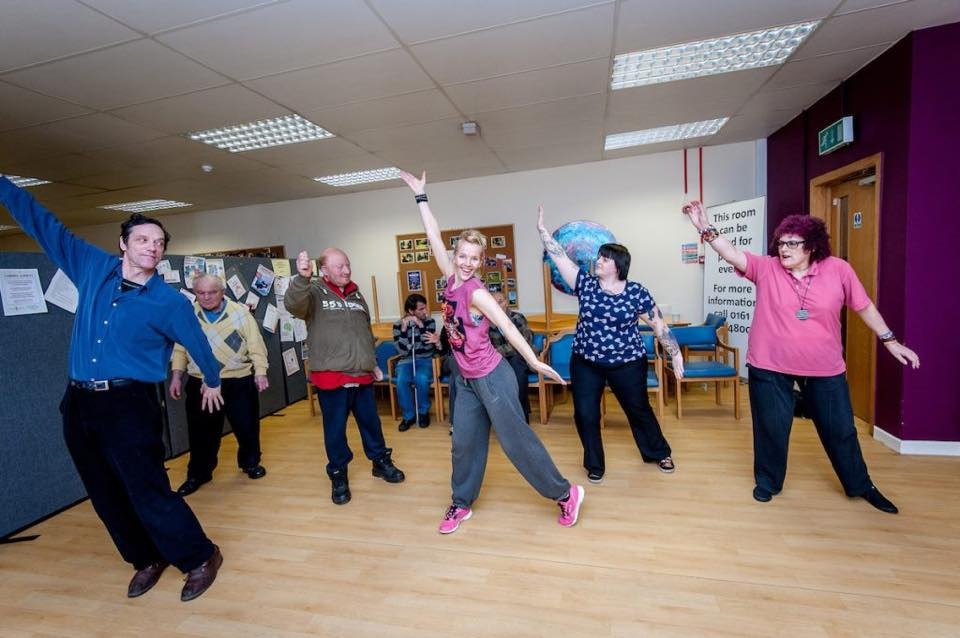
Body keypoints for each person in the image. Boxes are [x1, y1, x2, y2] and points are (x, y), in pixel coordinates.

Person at [0, 176, 225, 602]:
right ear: (123, 244)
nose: (152, 247)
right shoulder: (90, 266)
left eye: (158, 242)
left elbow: (199, 344)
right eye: (142, 239)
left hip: (129, 403)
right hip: (81, 402)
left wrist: (212, 381)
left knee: (147, 489)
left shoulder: (170, 302)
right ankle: (145, 557)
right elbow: (42, 222)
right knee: (103, 491)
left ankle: (200, 556)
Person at [682, 201, 919, 513]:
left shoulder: (839, 270)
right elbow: (731, 253)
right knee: (771, 427)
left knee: (840, 430)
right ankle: (768, 482)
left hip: (825, 367)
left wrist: (890, 340)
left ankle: (860, 485)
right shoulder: (766, 268)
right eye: (781, 242)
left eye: (792, 243)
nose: (784, 249)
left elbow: (863, 306)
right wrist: (704, 226)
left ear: (812, 245)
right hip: (769, 364)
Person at [399, 170, 584, 534]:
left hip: (492, 375)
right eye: (463, 256)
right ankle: (460, 503)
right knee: (463, 443)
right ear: (456, 256)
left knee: (516, 443)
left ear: (481, 261)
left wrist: (534, 362)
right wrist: (421, 197)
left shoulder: (478, 294)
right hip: (465, 377)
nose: (467, 263)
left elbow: (508, 327)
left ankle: (565, 494)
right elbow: (432, 234)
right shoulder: (449, 276)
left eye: (474, 258)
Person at [538, 206, 683, 484]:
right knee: (585, 413)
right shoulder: (585, 284)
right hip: (586, 362)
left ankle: (658, 451)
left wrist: (674, 354)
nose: (598, 261)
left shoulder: (636, 292)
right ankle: (594, 463)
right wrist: (544, 233)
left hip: (627, 362)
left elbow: (659, 325)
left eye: (604, 259)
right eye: (599, 257)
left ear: (618, 265)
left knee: (638, 408)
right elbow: (560, 258)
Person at [285, 247, 405, 505]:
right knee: (335, 431)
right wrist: (302, 278)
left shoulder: (356, 293)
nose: (347, 270)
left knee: (371, 424)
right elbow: (293, 305)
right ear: (324, 270)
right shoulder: (313, 291)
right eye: (340, 267)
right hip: (332, 375)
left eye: (348, 265)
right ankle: (338, 475)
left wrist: (371, 362)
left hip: (361, 373)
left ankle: (380, 462)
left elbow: (363, 331)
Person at [169, 274, 270, 496]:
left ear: (222, 292)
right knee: (201, 432)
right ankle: (199, 473)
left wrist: (260, 372)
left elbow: (256, 345)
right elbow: (179, 349)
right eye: (200, 293)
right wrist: (176, 376)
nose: (206, 297)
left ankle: (250, 463)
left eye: (212, 292)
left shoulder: (240, 313)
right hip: (201, 383)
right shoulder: (188, 315)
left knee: (246, 426)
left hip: (237, 380)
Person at [392, 293, 438, 430]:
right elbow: (402, 351)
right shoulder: (397, 325)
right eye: (421, 309)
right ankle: (409, 416)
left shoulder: (430, 322)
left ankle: (423, 412)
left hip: (425, 360)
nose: (426, 311)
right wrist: (405, 330)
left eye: (425, 308)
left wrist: (421, 326)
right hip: (406, 361)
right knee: (402, 381)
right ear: (411, 311)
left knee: (421, 378)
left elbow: (428, 345)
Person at [488, 291, 536, 422]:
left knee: (517, 370)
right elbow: (487, 346)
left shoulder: (517, 318)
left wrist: (498, 351)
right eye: (494, 303)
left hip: (521, 356)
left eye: (501, 301)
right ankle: (503, 417)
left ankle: (522, 417)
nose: (498, 305)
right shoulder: (488, 322)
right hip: (499, 360)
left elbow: (522, 344)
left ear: (507, 302)